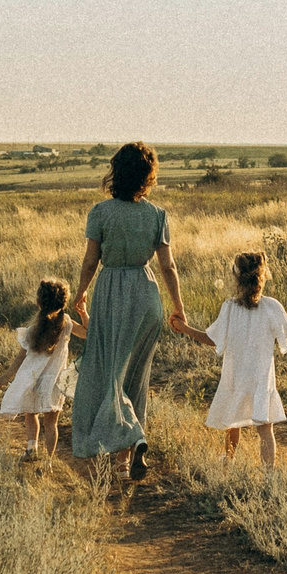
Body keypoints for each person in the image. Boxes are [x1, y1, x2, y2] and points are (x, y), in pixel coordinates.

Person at [66, 141, 191, 482]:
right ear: (148, 176)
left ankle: (134, 436)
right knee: (136, 375)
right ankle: (124, 461)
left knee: (110, 373)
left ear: (116, 172)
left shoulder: (100, 212)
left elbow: (90, 261)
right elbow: (168, 267)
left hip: (112, 293)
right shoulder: (157, 215)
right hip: (146, 295)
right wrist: (178, 307)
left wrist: (81, 292)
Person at [189, 250, 287, 471]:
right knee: (265, 430)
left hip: (236, 377)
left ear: (237, 278)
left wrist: (184, 328)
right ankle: (268, 475)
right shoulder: (271, 306)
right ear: (263, 277)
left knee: (232, 424)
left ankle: (228, 463)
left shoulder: (229, 307)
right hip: (261, 379)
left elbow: (211, 339)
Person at [0, 279, 77, 460]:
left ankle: (31, 449)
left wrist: (7, 375)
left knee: (31, 413)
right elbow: (88, 333)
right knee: (51, 423)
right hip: (55, 381)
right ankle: (48, 461)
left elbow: (20, 357)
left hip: (34, 378)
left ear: (38, 302)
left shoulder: (34, 329)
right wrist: (83, 312)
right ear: (63, 303)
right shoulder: (66, 323)